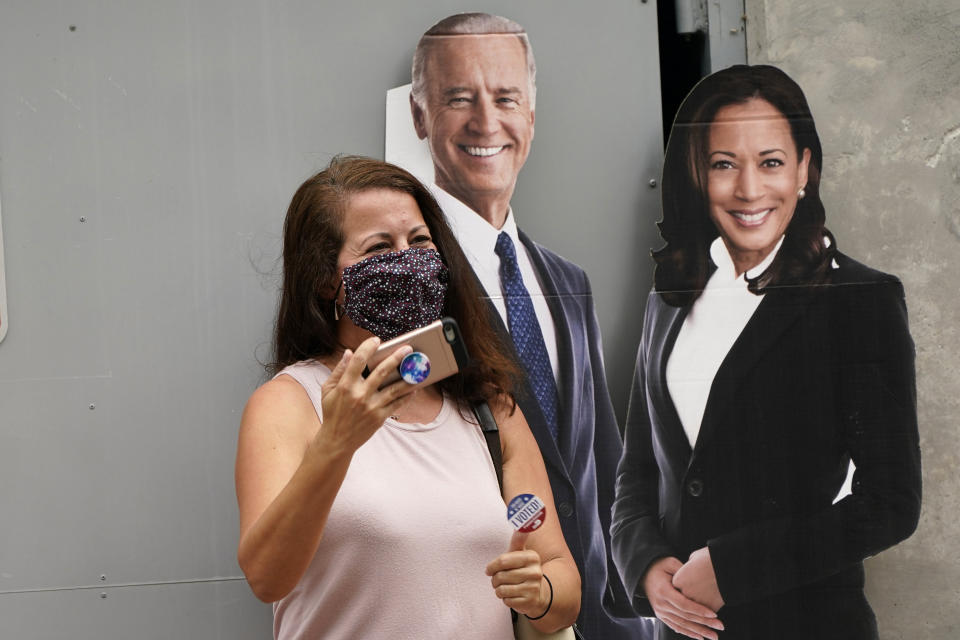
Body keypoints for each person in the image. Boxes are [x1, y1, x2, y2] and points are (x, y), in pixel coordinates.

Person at [610, 64, 921, 640]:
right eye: (724, 164)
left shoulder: (859, 299)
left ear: (805, 168)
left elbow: (891, 502)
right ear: (697, 175)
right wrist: (644, 565)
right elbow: (639, 465)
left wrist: (731, 570)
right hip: (685, 630)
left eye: (771, 162)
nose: (749, 189)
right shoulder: (671, 296)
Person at [234, 156, 580, 639]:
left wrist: (540, 593)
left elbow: (560, 574)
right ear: (326, 279)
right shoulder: (290, 403)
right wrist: (336, 443)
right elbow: (266, 576)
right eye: (379, 248)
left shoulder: (487, 407)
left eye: (419, 241)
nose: (408, 260)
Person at [408, 13, 654, 639]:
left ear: (532, 117)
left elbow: (603, 465)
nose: (486, 122)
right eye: (458, 98)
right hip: (471, 618)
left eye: (506, 98)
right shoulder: (409, 287)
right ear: (419, 117)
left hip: (593, 620)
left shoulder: (569, 283)